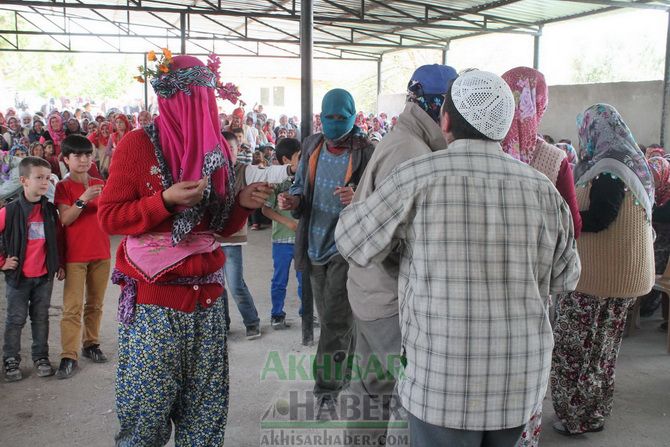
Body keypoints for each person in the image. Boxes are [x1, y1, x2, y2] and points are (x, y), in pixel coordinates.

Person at [335, 70, 580, 447]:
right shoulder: (543, 190)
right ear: (502, 126)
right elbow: (567, 277)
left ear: (445, 120)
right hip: (518, 383)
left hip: (442, 385)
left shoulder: (416, 177)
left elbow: (352, 243)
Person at [98, 55, 271, 445]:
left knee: (205, 419)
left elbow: (220, 228)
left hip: (208, 304)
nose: (203, 109)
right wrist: (164, 201)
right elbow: (110, 218)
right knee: (146, 420)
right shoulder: (137, 144)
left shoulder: (218, 152)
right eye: (195, 98)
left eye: (207, 99)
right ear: (172, 98)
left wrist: (243, 202)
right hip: (154, 306)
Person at [341, 64, 457, 441]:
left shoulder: (407, 138)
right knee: (412, 394)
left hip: (370, 289)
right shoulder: (411, 151)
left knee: (370, 386)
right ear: (440, 106)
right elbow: (391, 241)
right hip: (386, 295)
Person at [551, 104, 655, 436]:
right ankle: (593, 413)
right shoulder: (633, 163)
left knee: (574, 347)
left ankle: (574, 417)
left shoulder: (610, 167)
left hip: (599, 276)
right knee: (602, 350)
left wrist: (565, 218)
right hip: (622, 275)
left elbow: (601, 217)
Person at [500, 67, 582, 446]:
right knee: (526, 359)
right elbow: (573, 226)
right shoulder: (554, 159)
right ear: (543, 102)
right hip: (534, 285)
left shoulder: (481, 148)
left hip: (476, 278)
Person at [280, 88, 375, 410]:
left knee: (334, 321)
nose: (335, 123)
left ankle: (326, 390)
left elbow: (381, 193)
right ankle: (346, 372)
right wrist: (292, 200)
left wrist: (359, 195)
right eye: (329, 117)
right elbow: (299, 189)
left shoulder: (366, 151)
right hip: (313, 244)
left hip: (345, 247)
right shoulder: (312, 145)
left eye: (341, 117)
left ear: (353, 117)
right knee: (333, 317)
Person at [219, 130, 294, 338]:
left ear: (237, 150)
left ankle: (251, 321)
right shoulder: (208, 172)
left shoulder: (245, 171)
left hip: (232, 239)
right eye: (221, 149)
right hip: (209, 240)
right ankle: (222, 324)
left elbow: (269, 173)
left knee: (235, 284)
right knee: (216, 288)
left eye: (231, 149)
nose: (226, 154)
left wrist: (289, 169)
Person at [1, 157, 65, 382]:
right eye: (38, 178)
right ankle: (10, 359)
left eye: (47, 178)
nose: (44, 183)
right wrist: (2, 262)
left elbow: (57, 238)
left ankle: (41, 357)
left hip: (43, 277)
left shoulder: (49, 210)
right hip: (18, 279)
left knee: (41, 318)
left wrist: (59, 263)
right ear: (23, 181)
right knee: (15, 319)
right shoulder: (9, 211)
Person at [54, 135, 111, 379]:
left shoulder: (100, 182)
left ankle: (91, 344)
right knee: (72, 308)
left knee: (96, 304)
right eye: (77, 155)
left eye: (88, 154)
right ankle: (69, 355)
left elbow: (112, 215)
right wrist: (83, 199)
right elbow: (65, 219)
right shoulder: (63, 187)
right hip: (75, 255)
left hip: (101, 252)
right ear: (66, 159)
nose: (84, 159)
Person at [261, 138, 302, 329]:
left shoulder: (305, 178)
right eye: (298, 157)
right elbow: (265, 209)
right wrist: (288, 222)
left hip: (302, 240)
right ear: (287, 160)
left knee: (305, 280)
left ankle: (306, 312)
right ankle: (277, 314)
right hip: (282, 241)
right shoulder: (276, 180)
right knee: (280, 279)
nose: (303, 161)